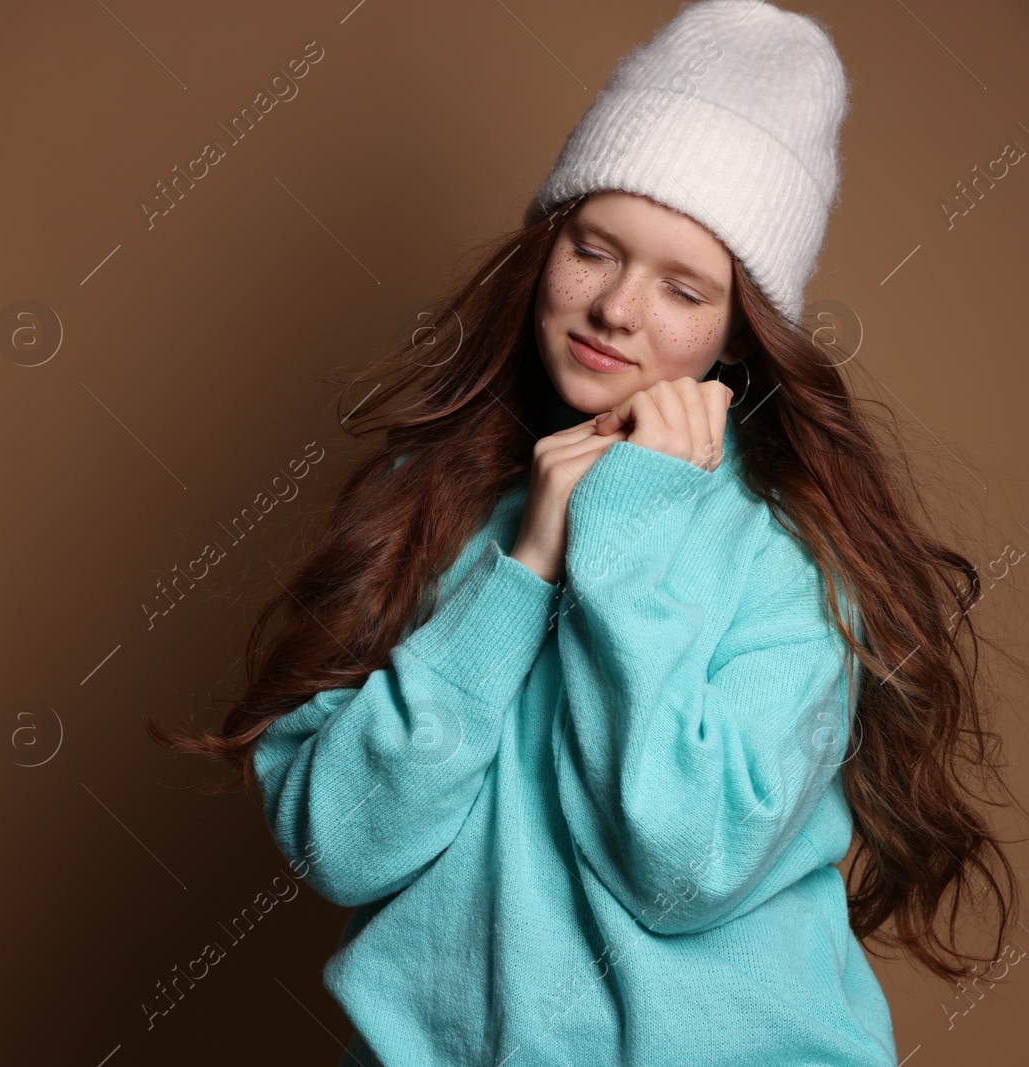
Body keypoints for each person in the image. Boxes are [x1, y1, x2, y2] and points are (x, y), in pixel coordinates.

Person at [147, 1, 1021, 1063]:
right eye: (594, 250)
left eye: (682, 287)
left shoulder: (788, 551)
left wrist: (621, 539)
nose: (615, 308)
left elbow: (685, 864)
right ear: (544, 247)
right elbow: (345, 841)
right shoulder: (433, 498)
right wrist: (523, 568)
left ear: (740, 327)